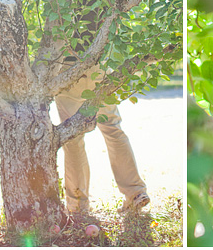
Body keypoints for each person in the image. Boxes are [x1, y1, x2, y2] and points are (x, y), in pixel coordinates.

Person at [55, 61, 150, 214]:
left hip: (68, 70)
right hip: (99, 68)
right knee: (113, 130)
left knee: (73, 139)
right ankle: (135, 193)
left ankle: (78, 204)